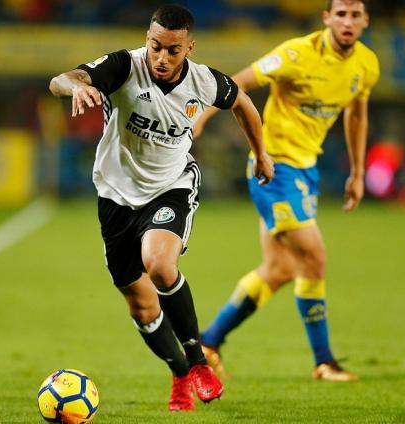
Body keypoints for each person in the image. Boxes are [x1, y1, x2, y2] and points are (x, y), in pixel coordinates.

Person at [49, 4, 274, 412]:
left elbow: (242, 102)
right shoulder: (123, 66)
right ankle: (179, 372)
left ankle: (200, 362)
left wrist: (261, 153)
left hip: (171, 187)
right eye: (156, 46)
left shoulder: (204, 82)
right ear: (147, 40)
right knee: (141, 305)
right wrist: (77, 87)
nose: (162, 58)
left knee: (159, 264)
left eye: (173, 50)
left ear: (189, 47)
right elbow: (61, 79)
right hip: (116, 197)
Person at [195, 0, 379, 382]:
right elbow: (237, 83)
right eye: (340, 13)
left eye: (355, 14)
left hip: (306, 169)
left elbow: (357, 112)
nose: (347, 21)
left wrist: (358, 172)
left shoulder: (366, 65)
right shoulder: (296, 54)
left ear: (365, 21)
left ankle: (208, 342)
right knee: (314, 258)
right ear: (326, 18)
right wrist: (200, 117)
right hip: (273, 168)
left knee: (278, 269)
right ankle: (324, 361)